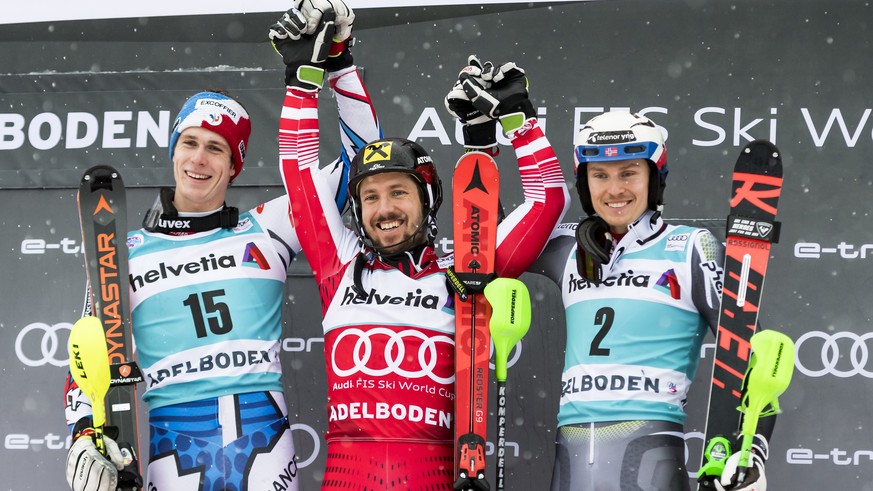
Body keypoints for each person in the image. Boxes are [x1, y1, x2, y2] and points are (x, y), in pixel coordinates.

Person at [62, 3, 369, 490]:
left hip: (263, 441)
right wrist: (83, 433)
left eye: (216, 148)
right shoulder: (120, 248)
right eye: (189, 142)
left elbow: (364, 165)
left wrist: (340, 65)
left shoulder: (270, 227)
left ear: (234, 164)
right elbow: (89, 361)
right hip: (172, 448)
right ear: (173, 151)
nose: (199, 158)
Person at [276, 44, 570, 488]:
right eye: (369, 197)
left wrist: (519, 121)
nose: (383, 208)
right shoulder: (340, 264)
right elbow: (298, 173)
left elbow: (549, 201)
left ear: (428, 200)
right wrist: (308, 76)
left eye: (398, 192)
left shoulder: (468, 269)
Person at [525, 111, 774, 491]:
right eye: (600, 175)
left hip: (650, 455)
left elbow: (750, 351)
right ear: (584, 183)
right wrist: (515, 128)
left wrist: (750, 450)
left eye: (628, 173)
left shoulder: (691, 247)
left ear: (655, 178)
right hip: (570, 459)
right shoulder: (567, 247)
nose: (614, 189)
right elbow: (487, 240)